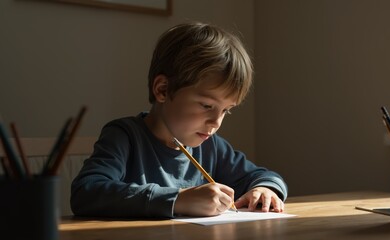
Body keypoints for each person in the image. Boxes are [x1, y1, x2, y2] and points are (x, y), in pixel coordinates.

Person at [70, 22, 288, 218]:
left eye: (225, 111)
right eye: (206, 106)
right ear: (163, 89)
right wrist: (179, 199)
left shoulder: (210, 145)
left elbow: (263, 176)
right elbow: (87, 192)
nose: (216, 122)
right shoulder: (125, 136)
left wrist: (265, 190)